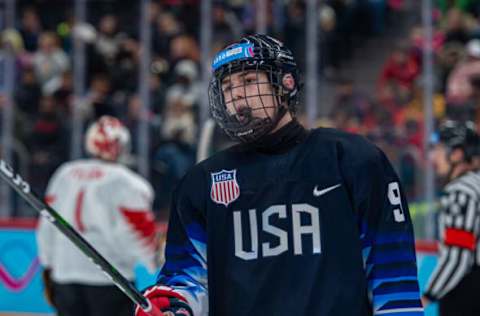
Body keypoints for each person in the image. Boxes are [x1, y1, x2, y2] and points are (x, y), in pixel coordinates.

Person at [136, 34, 423, 316]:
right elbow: (188, 278)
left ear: (285, 83)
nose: (235, 93)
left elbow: (392, 271)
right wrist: (175, 306)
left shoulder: (352, 159)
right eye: (227, 86)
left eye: (248, 81)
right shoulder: (201, 183)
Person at [36, 116, 157, 316]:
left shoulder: (65, 173)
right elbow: (135, 233)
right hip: (111, 280)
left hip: (66, 275)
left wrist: (48, 265)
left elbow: (48, 224)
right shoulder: (129, 182)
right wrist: (152, 261)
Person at [423, 120, 480, 315]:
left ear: (456, 154)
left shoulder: (460, 192)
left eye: (438, 150)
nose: (433, 157)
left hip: (467, 294)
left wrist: (427, 296)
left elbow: (458, 257)